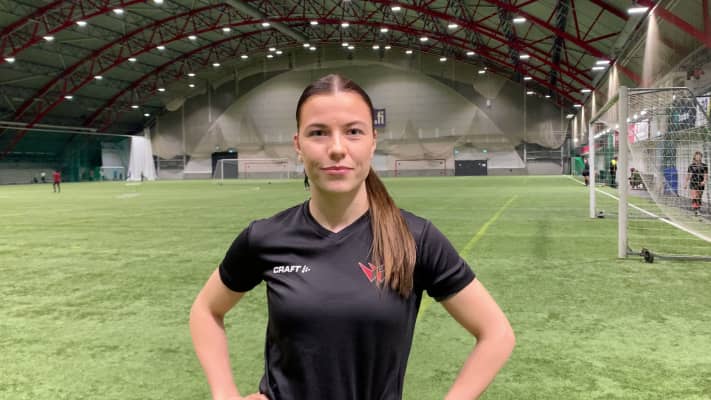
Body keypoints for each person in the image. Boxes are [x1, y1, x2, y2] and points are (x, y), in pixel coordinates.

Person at [189, 74, 515, 400]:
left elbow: (496, 334)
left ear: (373, 141)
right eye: (318, 133)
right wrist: (224, 393)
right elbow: (206, 310)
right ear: (298, 145)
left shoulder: (415, 238)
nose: (336, 148)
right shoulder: (266, 236)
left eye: (353, 132)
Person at [685, 151, 708, 216]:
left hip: (700, 183)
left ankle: (698, 209)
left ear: (701, 157)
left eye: (699, 156)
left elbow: (706, 175)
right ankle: (696, 210)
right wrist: (686, 183)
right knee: (694, 196)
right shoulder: (691, 166)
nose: (698, 157)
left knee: (699, 197)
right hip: (693, 183)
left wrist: (704, 181)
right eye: (697, 156)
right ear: (694, 157)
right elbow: (688, 175)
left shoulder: (704, 166)